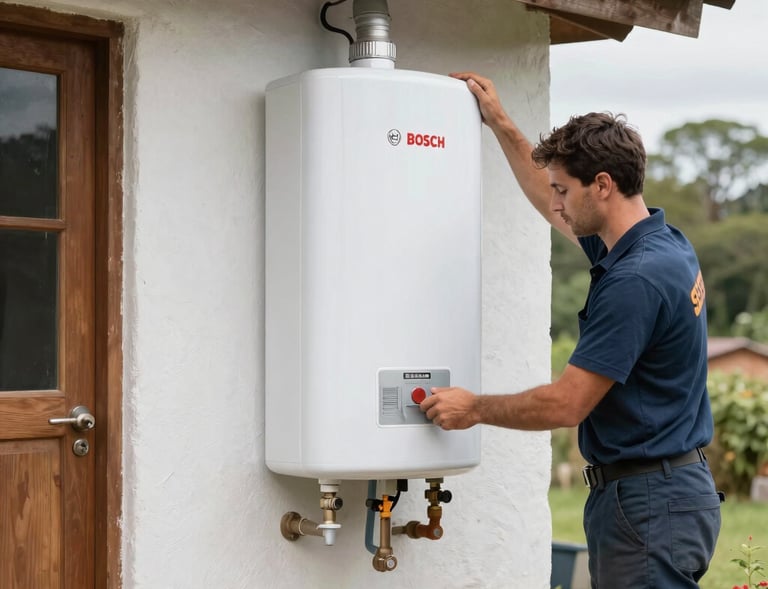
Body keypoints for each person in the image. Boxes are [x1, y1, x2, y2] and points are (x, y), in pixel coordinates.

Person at [420, 72, 722, 588]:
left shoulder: (635, 280)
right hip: (671, 493)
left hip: (649, 505)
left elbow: (566, 404)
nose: (555, 203)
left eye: (565, 189)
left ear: (602, 185)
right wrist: (501, 123)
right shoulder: (662, 242)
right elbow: (547, 200)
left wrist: (472, 408)